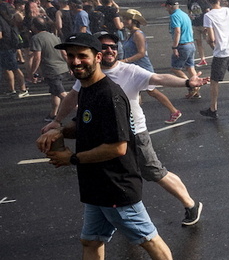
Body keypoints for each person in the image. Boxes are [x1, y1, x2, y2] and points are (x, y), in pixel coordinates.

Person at [36, 33, 192, 260]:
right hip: (96, 183)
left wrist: (71, 158)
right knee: (92, 241)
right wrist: (60, 130)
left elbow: (118, 147)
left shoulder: (110, 94)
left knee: (146, 237)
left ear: (97, 57)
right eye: (71, 56)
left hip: (115, 184)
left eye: (82, 55)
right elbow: (85, 124)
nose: (75, 61)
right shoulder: (87, 89)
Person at [45, 31, 206, 226]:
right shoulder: (89, 72)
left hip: (134, 134)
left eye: (113, 46)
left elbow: (159, 78)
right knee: (117, 177)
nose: (110, 50)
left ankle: (191, 204)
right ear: (97, 52)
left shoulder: (130, 71)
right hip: (107, 134)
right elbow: (72, 96)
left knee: (154, 172)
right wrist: (58, 120)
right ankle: (122, 218)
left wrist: (187, 82)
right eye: (105, 47)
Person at [120, 9, 183, 124]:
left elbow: (141, 53)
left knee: (152, 91)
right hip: (134, 69)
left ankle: (174, 111)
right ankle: (132, 117)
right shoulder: (131, 34)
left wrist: (124, 61)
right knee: (134, 92)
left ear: (134, 21)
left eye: (126, 19)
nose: (123, 21)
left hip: (143, 68)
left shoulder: (138, 34)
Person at [28, 17, 68, 120]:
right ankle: (53, 114)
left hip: (51, 70)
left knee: (62, 94)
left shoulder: (36, 38)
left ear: (34, 27)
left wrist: (32, 72)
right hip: (62, 68)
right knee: (54, 92)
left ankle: (82, 110)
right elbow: (64, 53)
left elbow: (37, 57)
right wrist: (70, 65)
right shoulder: (54, 36)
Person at [164, 0, 198, 88]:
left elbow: (177, 31)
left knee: (175, 69)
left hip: (182, 46)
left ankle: (191, 85)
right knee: (190, 67)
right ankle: (196, 87)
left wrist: (174, 47)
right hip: (191, 44)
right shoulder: (184, 14)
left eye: (166, 7)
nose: (166, 9)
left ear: (169, 6)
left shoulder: (174, 16)